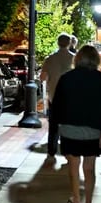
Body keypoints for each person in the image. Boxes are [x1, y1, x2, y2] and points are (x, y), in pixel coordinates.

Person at [50, 44, 101, 203]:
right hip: (92, 130)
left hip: (69, 129)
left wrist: (55, 129)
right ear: (96, 60)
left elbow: (56, 106)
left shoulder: (66, 78)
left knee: (73, 166)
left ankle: (76, 198)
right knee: (89, 168)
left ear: (77, 59)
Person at [39, 32, 75, 163]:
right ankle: (68, 152)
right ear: (70, 43)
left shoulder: (50, 59)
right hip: (70, 98)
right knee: (68, 126)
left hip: (54, 96)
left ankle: (51, 152)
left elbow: (43, 77)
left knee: (53, 127)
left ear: (57, 42)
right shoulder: (74, 59)